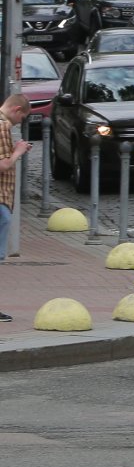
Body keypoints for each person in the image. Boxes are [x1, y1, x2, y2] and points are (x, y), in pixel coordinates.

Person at [0, 94, 32, 323]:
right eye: (22, 117)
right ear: (17, 109)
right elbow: (3, 165)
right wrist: (19, 151)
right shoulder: (2, 126)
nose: (20, 122)